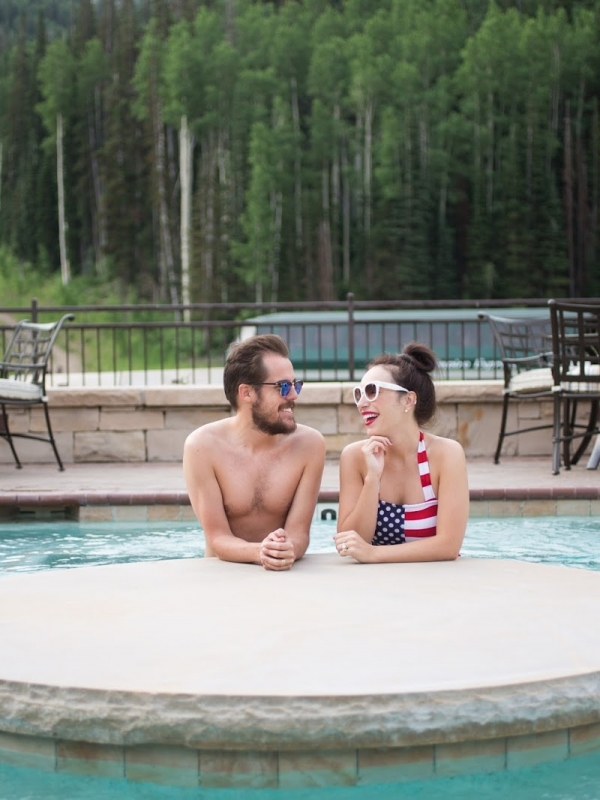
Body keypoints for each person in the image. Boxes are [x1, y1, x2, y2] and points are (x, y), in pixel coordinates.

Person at [183, 334, 326, 570]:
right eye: (282, 386)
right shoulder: (202, 447)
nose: (293, 395)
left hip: (282, 573)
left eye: (295, 384)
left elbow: (299, 533)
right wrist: (262, 551)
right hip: (223, 573)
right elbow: (217, 538)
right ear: (247, 393)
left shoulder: (309, 445)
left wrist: (289, 548)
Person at [334, 342, 468, 563]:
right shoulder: (355, 457)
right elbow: (348, 542)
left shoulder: (446, 455)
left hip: (435, 584)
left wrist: (375, 554)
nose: (362, 403)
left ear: (408, 400)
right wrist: (372, 479)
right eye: (359, 394)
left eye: (372, 391)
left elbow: (449, 546)